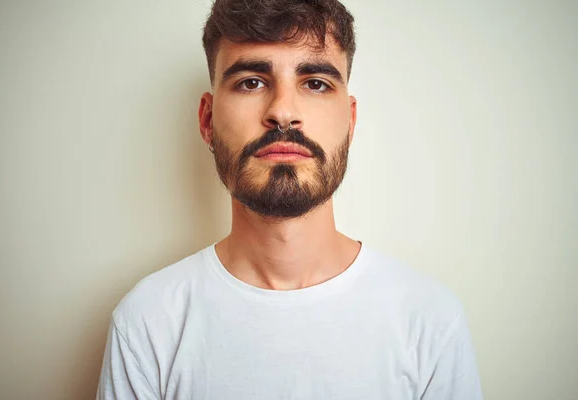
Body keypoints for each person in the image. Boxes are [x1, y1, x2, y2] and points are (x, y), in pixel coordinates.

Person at [96, 0, 483, 398]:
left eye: (315, 82)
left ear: (350, 122)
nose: (282, 112)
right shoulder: (148, 321)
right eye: (251, 81)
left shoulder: (430, 320)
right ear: (207, 121)